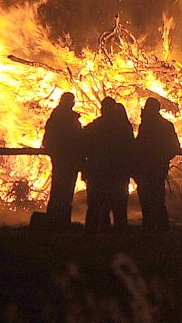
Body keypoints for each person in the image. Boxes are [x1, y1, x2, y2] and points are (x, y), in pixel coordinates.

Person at [83, 97, 134, 233]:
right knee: (119, 208)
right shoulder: (123, 128)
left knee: (95, 207)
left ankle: (90, 236)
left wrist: (85, 168)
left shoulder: (95, 127)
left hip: (98, 172)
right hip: (118, 173)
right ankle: (120, 237)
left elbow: (83, 145)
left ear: (102, 109)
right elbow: (131, 149)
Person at [134, 97, 179, 231]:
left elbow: (173, 146)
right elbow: (174, 146)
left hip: (151, 168)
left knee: (152, 198)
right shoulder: (161, 125)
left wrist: (161, 158)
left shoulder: (152, 126)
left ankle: (155, 227)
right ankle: (158, 227)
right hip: (152, 168)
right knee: (156, 198)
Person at [42, 92, 82, 226]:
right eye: (71, 100)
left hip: (62, 158)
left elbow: (48, 139)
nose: (73, 103)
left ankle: (56, 218)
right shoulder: (66, 118)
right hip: (67, 159)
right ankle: (58, 219)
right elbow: (76, 137)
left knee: (60, 187)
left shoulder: (56, 117)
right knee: (63, 188)